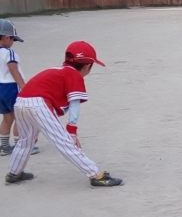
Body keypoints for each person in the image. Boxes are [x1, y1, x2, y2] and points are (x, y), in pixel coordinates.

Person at [5, 41, 122, 187]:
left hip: (21, 101)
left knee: (25, 140)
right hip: (39, 104)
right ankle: (95, 175)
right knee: (64, 142)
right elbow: (74, 104)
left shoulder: (56, 70)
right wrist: (72, 132)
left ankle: (14, 173)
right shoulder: (74, 75)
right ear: (87, 66)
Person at [0, 19, 39, 156]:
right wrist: (24, 86)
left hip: (0, 89)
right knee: (20, 117)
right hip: (11, 88)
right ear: (6, 38)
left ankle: (4, 147)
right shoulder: (9, 53)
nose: (13, 43)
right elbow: (13, 70)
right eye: (12, 39)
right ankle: (20, 146)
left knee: (7, 118)